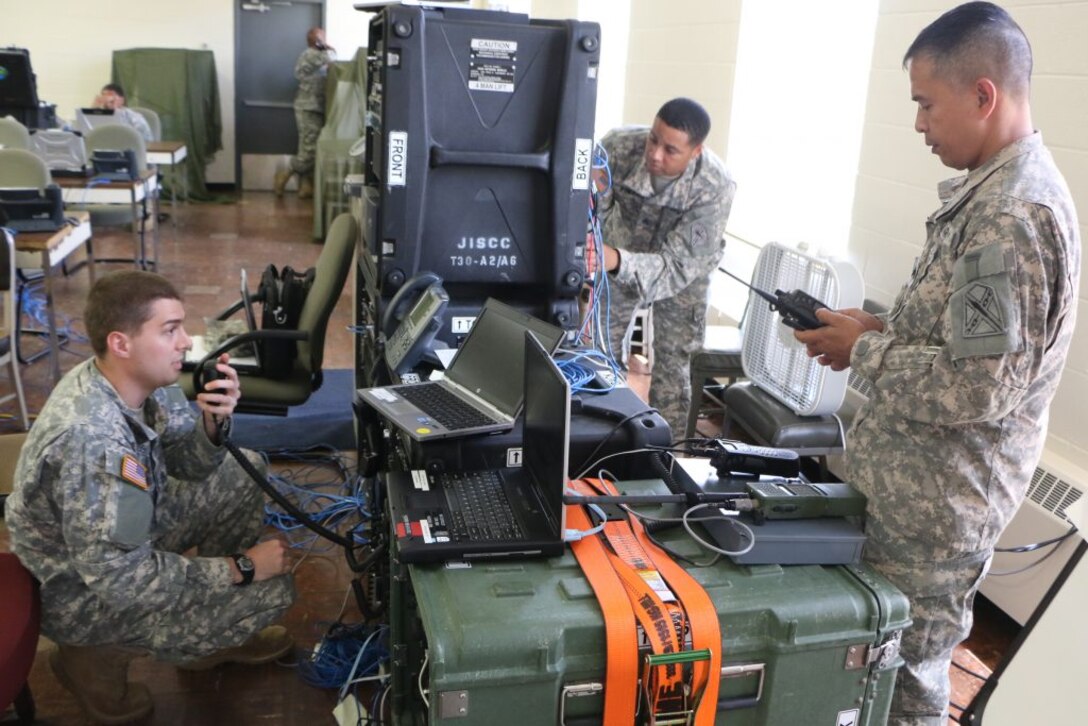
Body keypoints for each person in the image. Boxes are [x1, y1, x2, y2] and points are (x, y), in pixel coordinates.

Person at [794, 4, 1080, 723]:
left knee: (906, 681)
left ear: (984, 95)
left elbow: (977, 386)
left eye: (926, 103)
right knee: (873, 663)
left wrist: (862, 349)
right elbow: (960, 340)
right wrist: (878, 325)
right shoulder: (990, 199)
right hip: (910, 490)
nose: (919, 123)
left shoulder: (1010, 217)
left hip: (939, 510)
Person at [6, 271, 297, 724]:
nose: (186, 341)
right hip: (84, 594)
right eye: (170, 329)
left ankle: (210, 635)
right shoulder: (92, 441)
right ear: (121, 343)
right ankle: (91, 654)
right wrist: (241, 569)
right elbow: (121, 581)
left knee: (247, 470)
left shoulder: (144, 380)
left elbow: (190, 466)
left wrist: (212, 423)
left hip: (118, 545)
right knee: (271, 590)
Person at [593, 97, 736, 438]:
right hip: (619, 253)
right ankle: (600, 440)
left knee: (675, 366)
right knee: (598, 355)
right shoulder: (617, 147)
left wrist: (613, 258)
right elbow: (591, 210)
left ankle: (665, 454)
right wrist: (598, 253)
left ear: (695, 151)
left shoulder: (715, 187)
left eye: (671, 150)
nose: (655, 154)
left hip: (682, 272)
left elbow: (675, 267)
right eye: (653, 139)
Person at [275, 27, 335, 200]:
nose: (324, 40)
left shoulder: (315, 55)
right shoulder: (311, 54)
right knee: (309, 150)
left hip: (315, 107)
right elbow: (333, 59)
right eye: (322, 38)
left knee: (309, 147)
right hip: (309, 107)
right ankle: (284, 174)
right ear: (316, 40)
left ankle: (306, 186)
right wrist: (326, 47)